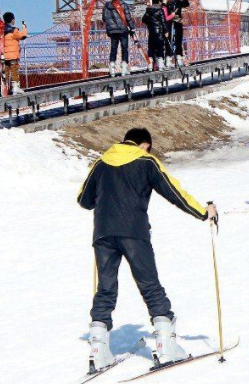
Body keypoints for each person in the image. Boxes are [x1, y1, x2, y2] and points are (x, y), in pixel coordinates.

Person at [77, 127, 217, 371]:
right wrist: (204, 212)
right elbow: (174, 192)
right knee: (149, 284)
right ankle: (165, 346)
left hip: (103, 234)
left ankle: (98, 350)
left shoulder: (101, 162)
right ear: (145, 145)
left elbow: (83, 200)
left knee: (106, 289)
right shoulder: (146, 161)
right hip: (134, 232)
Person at [102, 0, 136, 77]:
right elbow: (128, 17)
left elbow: (104, 18)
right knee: (124, 48)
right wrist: (132, 28)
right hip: (123, 30)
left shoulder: (107, 5)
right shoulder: (123, 5)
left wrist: (111, 25)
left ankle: (112, 69)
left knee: (113, 49)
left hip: (112, 31)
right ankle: (124, 69)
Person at [2, 12, 28, 95]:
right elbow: (23, 36)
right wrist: (24, 27)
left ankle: (4, 88)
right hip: (13, 55)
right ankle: (15, 88)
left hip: (5, 56)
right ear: (13, 20)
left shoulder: (2, 30)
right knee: (14, 71)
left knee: (6, 72)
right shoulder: (14, 30)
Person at [141, 0, 168, 71]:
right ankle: (160, 64)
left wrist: (150, 23)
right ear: (159, 1)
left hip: (151, 32)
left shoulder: (148, 10)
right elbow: (163, 21)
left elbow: (144, 20)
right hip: (159, 32)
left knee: (151, 48)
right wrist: (166, 31)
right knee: (160, 48)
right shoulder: (160, 10)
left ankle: (150, 64)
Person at [167, 0, 190, 67]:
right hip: (177, 22)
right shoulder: (179, 2)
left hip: (169, 22)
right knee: (178, 40)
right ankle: (178, 57)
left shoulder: (168, 3)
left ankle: (168, 58)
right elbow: (186, 4)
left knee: (169, 41)